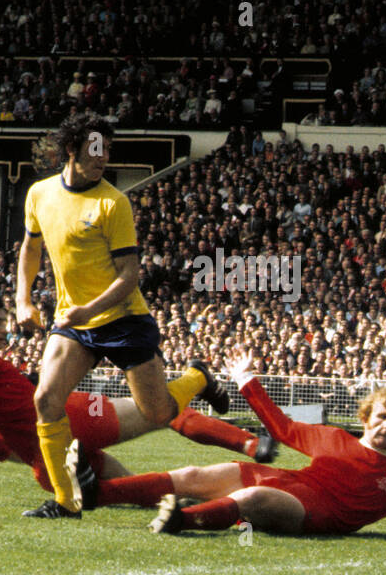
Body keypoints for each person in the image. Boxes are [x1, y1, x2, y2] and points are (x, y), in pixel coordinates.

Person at [16, 113, 230, 518]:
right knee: (45, 399)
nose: (103, 157)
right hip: (75, 324)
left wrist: (88, 309)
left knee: (159, 413)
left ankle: (198, 376)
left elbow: (130, 276)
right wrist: (21, 300)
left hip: (122, 320)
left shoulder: (113, 203)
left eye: (107, 150)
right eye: (95, 149)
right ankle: (67, 501)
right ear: (71, 150)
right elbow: (30, 248)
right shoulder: (39, 194)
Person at [0, 288, 276, 507]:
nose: (4, 331)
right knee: (141, 472)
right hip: (69, 429)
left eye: (3, 322)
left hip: (63, 439)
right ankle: (212, 490)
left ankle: (235, 427)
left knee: (156, 415)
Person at [102, 351, 386, 540]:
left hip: (313, 512)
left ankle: (182, 520)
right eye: (382, 416)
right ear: (365, 417)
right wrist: (246, 380)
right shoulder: (333, 438)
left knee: (253, 499)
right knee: (194, 474)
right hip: (289, 482)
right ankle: (96, 493)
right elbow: (281, 428)